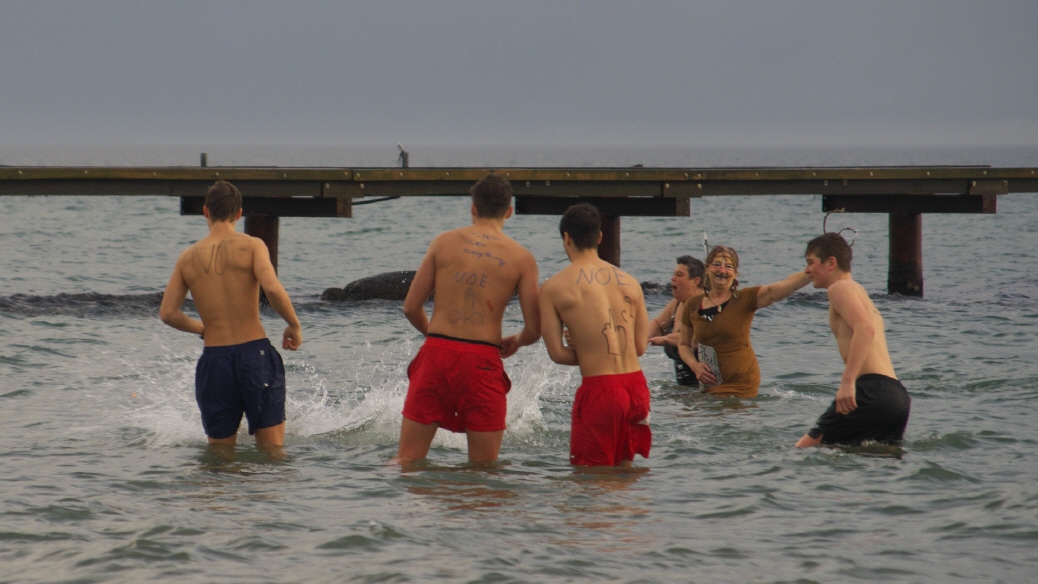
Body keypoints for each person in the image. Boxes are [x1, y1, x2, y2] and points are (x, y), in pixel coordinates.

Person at [395, 173, 540, 465]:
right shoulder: (522, 258)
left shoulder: (443, 242)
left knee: (406, 461)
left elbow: (411, 307)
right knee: (483, 472)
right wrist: (516, 341)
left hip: (436, 355)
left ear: (472, 208)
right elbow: (535, 328)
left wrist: (433, 336)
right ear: (509, 212)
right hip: (482, 362)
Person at [159, 180, 302, 451]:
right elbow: (272, 287)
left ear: (205, 212)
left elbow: (167, 313)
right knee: (271, 453)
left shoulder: (187, 258)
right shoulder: (253, 246)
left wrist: (203, 328)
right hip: (254, 356)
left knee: (219, 456)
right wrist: (293, 325)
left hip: (215, 361)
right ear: (239, 214)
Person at [540, 203, 651, 468]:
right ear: (600, 237)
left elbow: (557, 354)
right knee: (626, 478)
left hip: (601, 391)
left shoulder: (554, 287)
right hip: (636, 388)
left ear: (566, 238)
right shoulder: (630, 281)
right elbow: (639, 347)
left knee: (591, 486)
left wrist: (590, 351)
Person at [796, 233, 911, 447]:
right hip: (897, 397)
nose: (806, 270)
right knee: (874, 459)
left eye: (810, 262)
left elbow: (865, 330)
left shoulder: (838, 288)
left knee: (803, 449)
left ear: (831, 262)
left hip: (871, 391)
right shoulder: (858, 290)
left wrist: (848, 383)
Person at [678, 245, 811, 398]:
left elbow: (784, 287)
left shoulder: (744, 299)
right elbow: (683, 344)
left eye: (728, 267)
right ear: (707, 269)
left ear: (735, 274)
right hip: (710, 386)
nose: (722, 271)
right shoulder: (693, 304)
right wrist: (695, 366)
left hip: (742, 384)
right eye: (716, 265)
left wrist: (811, 272)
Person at [648, 255, 705, 386]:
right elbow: (657, 324)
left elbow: (695, 338)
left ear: (695, 281)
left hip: (707, 392)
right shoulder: (678, 303)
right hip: (685, 391)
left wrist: (666, 339)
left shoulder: (705, 305)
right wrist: (642, 338)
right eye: (673, 274)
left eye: (679, 275)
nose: (673, 278)